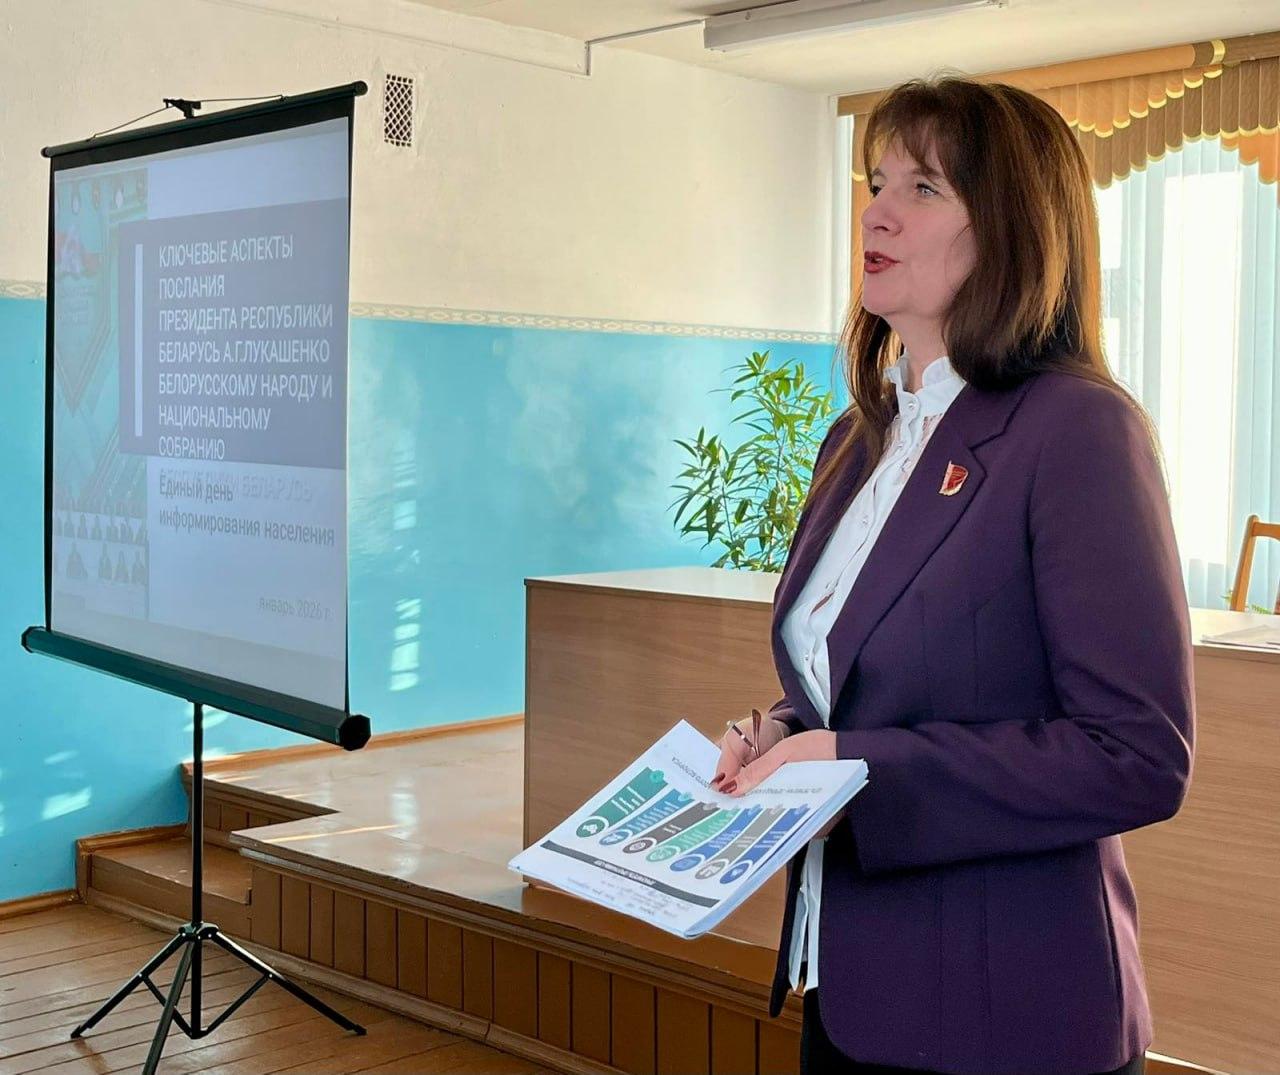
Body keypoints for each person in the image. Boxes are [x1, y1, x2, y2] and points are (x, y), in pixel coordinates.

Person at [712, 75, 1194, 1075]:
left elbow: (1136, 753)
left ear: (1014, 228)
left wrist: (854, 765)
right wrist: (788, 734)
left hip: (1005, 1012)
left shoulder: (1076, 430)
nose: (876, 212)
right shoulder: (856, 439)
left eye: (923, 187)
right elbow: (869, 683)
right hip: (846, 984)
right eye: (876, 182)